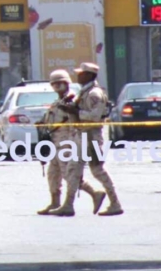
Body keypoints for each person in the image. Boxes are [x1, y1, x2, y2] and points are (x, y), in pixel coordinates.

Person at [50, 62, 123, 217]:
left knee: (98, 171)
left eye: (81, 73)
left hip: (92, 137)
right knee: (72, 170)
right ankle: (68, 205)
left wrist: (76, 112)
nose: (78, 75)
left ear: (89, 75)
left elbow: (95, 117)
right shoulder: (84, 92)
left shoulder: (94, 94)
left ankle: (115, 203)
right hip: (81, 136)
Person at [36, 69, 105, 216]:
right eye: (55, 84)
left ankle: (94, 193)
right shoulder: (58, 102)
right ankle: (55, 202)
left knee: (69, 174)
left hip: (67, 141)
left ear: (67, 83)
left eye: (60, 83)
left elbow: (75, 117)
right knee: (53, 174)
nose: (58, 87)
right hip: (55, 142)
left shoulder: (72, 100)